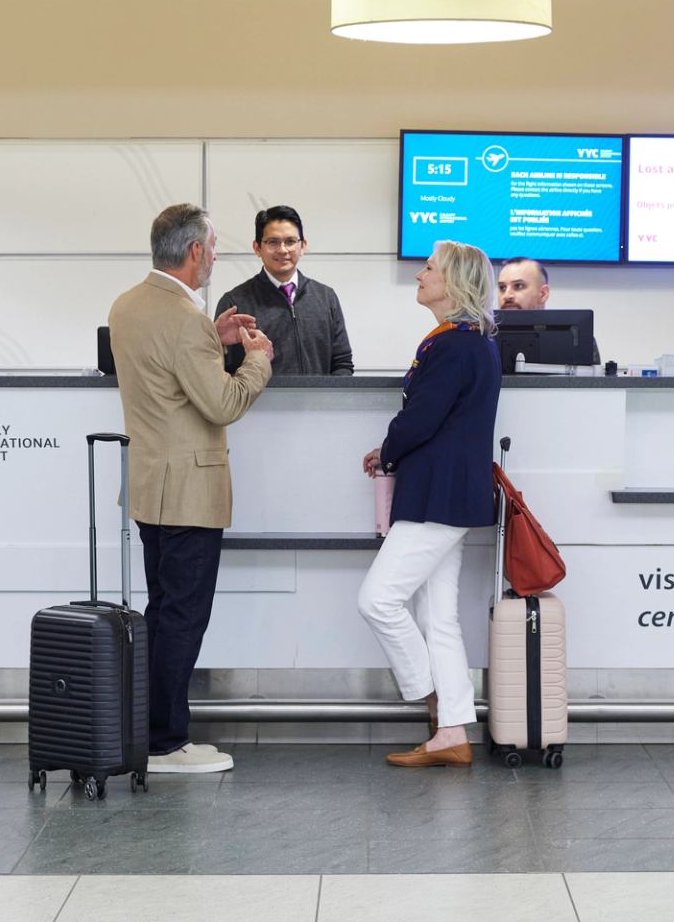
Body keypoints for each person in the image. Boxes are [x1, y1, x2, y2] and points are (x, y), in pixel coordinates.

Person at [107, 203, 275, 774]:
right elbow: (221, 402)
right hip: (191, 494)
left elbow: (169, 376)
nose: (216, 256)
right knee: (182, 617)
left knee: (163, 612)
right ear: (195, 252)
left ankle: (153, 733)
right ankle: (166, 743)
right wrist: (255, 360)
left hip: (153, 488)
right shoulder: (183, 318)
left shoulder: (129, 305)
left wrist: (214, 335)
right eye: (214, 246)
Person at [358, 240, 502, 768]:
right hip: (453, 496)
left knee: (377, 600)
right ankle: (453, 734)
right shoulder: (473, 342)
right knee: (439, 618)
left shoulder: (452, 345)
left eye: (429, 268)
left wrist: (388, 450)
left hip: (436, 497)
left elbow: (421, 418)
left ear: (454, 282)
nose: (419, 274)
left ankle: (434, 699)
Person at [216, 205, 355, 375]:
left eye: (290, 242)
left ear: (303, 246)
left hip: (319, 402)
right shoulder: (235, 303)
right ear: (257, 247)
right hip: (262, 402)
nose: (282, 250)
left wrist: (328, 401)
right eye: (273, 242)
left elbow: (342, 363)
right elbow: (223, 373)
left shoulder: (326, 297)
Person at [497, 256, 601, 364]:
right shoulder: (484, 338)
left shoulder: (575, 338)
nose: (507, 295)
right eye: (502, 288)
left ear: (543, 294)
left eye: (518, 286)